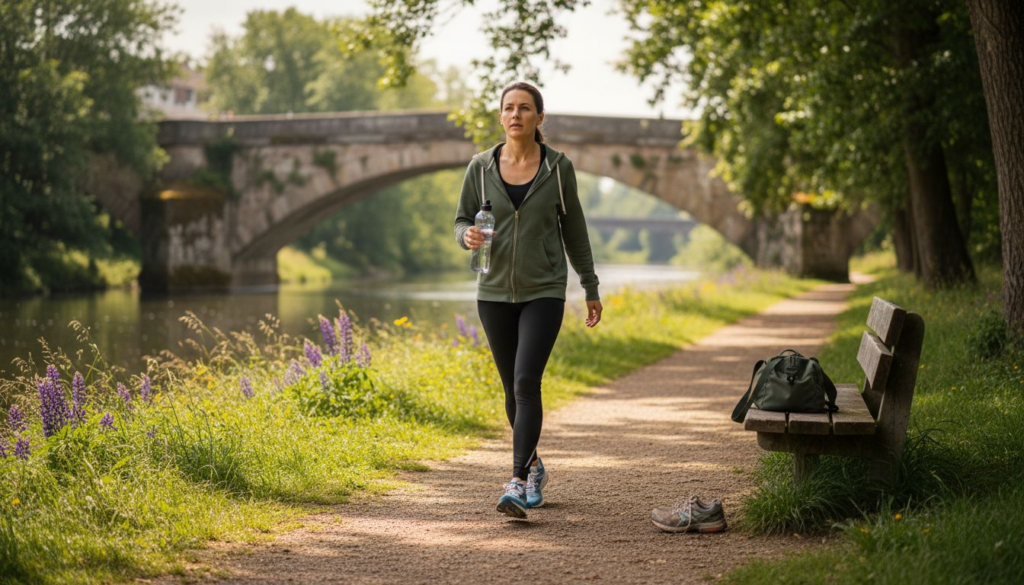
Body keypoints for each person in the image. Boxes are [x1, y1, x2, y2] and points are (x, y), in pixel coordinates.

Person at [454, 81, 603, 519]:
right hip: (493, 291)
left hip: (544, 289)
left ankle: (517, 481)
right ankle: (535, 465)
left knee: (525, 383)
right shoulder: (480, 167)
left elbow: (574, 230)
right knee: (509, 392)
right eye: (508, 108)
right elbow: (461, 219)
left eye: (525, 108)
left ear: (540, 118)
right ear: (500, 117)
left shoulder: (558, 169)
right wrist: (466, 235)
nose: (516, 114)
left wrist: (590, 286)